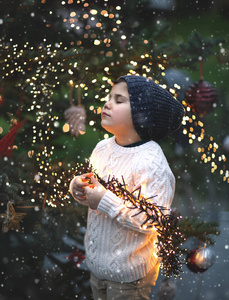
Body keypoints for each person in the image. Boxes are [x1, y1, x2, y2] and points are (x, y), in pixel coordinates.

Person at [69, 75, 184, 300]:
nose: (107, 103)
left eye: (119, 100)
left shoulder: (151, 161)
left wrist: (104, 200)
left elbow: (154, 220)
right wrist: (78, 187)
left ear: (143, 115)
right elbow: (94, 193)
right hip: (96, 266)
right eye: (109, 97)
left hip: (129, 277)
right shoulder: (103, 148)